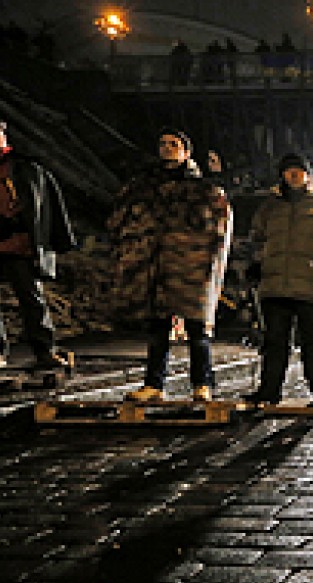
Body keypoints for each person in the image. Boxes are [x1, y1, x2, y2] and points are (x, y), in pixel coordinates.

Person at [109, 127, 232, 402]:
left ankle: (202, 384)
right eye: (163, 143)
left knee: (197, 330)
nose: (167, 148)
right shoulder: (142, 187)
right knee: (157, 330)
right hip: (155, 267)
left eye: (174, 144)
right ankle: (154, 385)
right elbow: (120, 220)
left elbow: (219, 229)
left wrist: (208, 261)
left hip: (192, 268)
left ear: (186, 152)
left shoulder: (204, 189)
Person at [246, 153, 313, 406]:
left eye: (299, 171)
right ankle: (269, 392)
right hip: (274, 286)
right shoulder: (269, 208)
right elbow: (256, 240)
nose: (294, 175)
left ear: (307, 175)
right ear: (282, 175)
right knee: (274, 343)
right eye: (289, 170)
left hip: (309, 286)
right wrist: (260, 262)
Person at [0, 119, 75, 370]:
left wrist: (45, 241)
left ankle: (44, 350)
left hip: (19, 240)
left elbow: (44, 206)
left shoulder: (26, 169)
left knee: (31, 298)